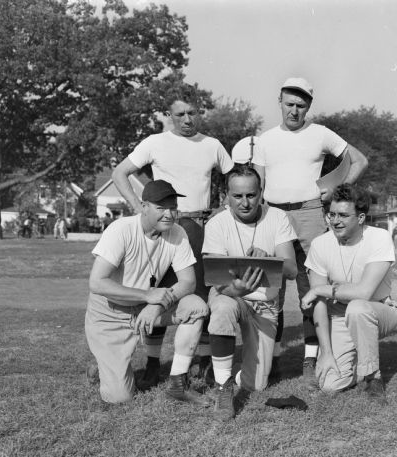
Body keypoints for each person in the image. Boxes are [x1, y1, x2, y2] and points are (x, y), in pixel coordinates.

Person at [111, 95, 234, 390]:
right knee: (161, 290)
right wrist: (139, 207)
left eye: (192, 113)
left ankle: (203, 363)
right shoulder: (155, 142)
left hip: (202, 225)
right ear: (169, 115)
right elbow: (119, 173)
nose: (188, 120)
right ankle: (153, 364)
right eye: (180, 114)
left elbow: (235, 179)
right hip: (169, 227)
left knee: (202, 292)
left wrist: (223, 209)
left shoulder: (212, 145)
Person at [252, 77, 368, 385]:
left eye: (301, 106)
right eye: (289, 104)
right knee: (271, 289)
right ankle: (272, 358)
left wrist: (338, 190)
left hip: (310, 212)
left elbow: (359, 160)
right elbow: (258, 184)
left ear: (308, 107)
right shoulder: (264, 140)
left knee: (312, 286)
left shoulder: (320, 133)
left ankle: (311, 356)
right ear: (280, 101)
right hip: (273, 213)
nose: (294, 111)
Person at [85, 180, 209, 405]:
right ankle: (103, 368)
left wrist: (156, 305)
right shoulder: (121, 229)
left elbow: (188, 282)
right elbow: (97, 283)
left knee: (196, 306)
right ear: (144, 206)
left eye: (173, 207)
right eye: (161, 208)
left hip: (146, 309)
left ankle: (177, 383)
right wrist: (146, 296)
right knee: (120, 397)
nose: (169, 214)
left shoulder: (178, 232)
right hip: (109, 313)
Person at [202, 165, 297, 420]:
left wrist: (270, 257)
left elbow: (291, 270)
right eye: (237, 196)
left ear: (261, 192)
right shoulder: (216, 224)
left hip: (265, 306)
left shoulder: (277, 217)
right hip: (232, 296)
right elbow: (216, 280)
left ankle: (228, 367)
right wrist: (237, 289)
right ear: (227, 195)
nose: (245, 202)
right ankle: (223, 388)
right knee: (222, 306)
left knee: (256, 385)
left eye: (251, 195)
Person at [301, 183, 397, 404]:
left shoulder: (379, 238)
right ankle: (358, 356)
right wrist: (326, 352)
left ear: (361, 217)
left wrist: (319, 288)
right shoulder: (319, 245)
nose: (335, 221)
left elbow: (364, 293)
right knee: (329, 385)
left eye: (344, 215)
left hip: (378, 309)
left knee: (357, 308)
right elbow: (319, 305)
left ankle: (372, 377)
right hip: (337, 314)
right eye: (332, 214)